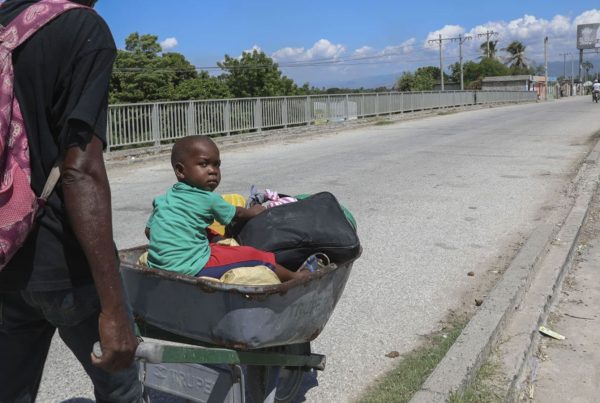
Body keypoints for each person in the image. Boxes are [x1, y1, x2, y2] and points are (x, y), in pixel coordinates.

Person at [0, 1, 141, 402]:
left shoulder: (5, 22)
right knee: (122, 387)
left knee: (10, 389)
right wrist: (113, 307)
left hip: (7, 256)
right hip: (64, 262)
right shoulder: (82, 28)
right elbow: (81, 168)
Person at [145, 135, 310, 282]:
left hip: (158, 264)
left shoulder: (163, 199)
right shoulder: (208, 199)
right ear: (180, 171)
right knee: (252, 255)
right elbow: (237, 214)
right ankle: (295, 276)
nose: (213, 171)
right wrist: (254, 211)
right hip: (191, 267)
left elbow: (149, 231)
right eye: (204, 164)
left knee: (209, 235)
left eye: (216, 165)